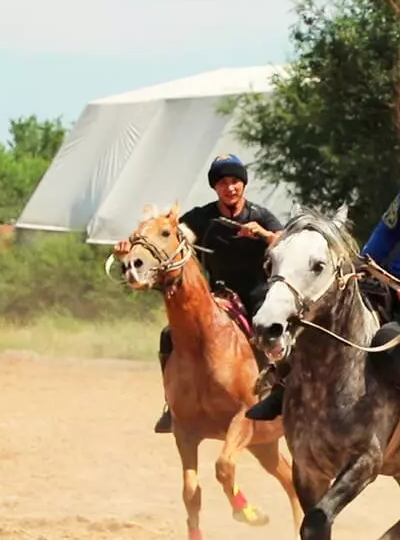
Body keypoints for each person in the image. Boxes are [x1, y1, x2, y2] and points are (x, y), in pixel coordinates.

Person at [248, 108, 400, 460]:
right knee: (321, 314)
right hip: (392, 279)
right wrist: (363, 261)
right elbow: (390, 227)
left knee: (390, 345)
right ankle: (283, 390)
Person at [115, 153, 285, 432]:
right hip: (218, 292)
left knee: (269, 329)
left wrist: (264, 235)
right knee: (169, 335)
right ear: (214, 187)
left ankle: (280, 392)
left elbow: (286, 240)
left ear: (243, 184)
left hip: (257, 291)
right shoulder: (202, 217)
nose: (229, 188)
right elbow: (164, 237)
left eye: (234, 181)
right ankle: (172, 405)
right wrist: (130, 249)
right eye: (222, 183)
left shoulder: (260, 215)